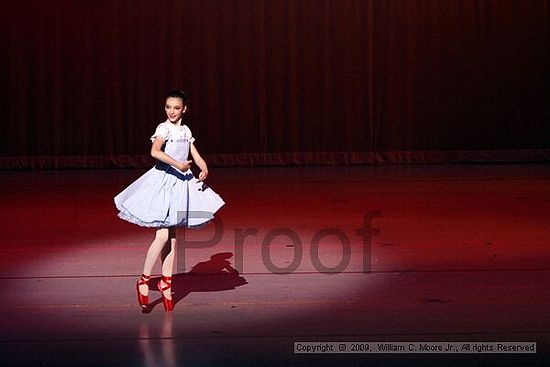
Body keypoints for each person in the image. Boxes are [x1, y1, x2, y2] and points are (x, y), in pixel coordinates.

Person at [114, 90, 224, 312]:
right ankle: (144, 280)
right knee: (163, 234)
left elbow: (193, 151)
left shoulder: (185, 130)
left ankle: (166, 282)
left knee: (173, 239)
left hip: (181, 183)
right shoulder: (163, 128)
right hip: (164, 182)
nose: (171, 111)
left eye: (175, 107)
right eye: (168, 107)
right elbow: (155, 151)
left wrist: (203, 166)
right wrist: (178, 164)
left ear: (184, 109)